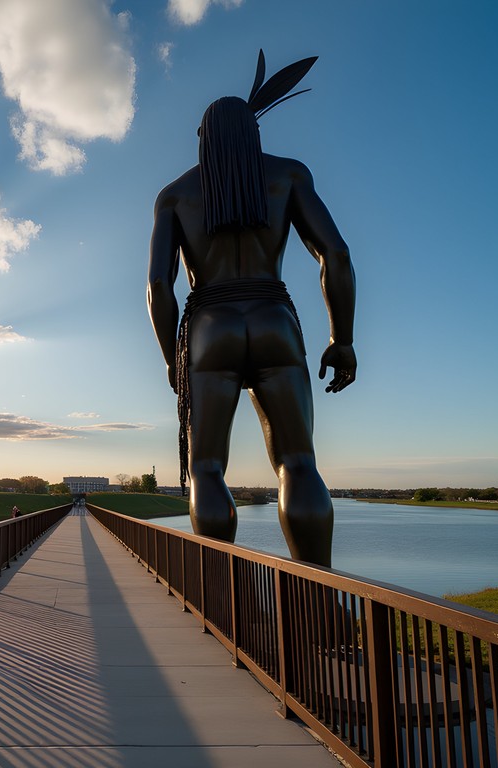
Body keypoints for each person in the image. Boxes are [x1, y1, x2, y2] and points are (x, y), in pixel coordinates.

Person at [147, 52, 356, 567]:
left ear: (205, 137)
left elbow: (158, 284)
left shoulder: (175, 196)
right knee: (298, 464)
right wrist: (342, 337)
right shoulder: (288, 176)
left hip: (207, 328)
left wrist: (171, 358)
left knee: (207, 470)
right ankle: (321, 612)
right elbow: (336, 254)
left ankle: (220, 602)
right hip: (273, 321)